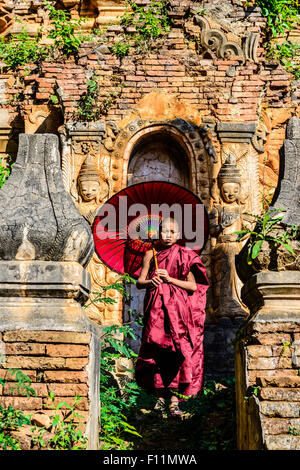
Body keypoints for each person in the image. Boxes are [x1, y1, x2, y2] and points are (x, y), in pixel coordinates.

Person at [135, 217, 209, 416]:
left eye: (172, 232)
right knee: (156, 350)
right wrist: (152, 281)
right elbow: (139, 282)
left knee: (177, 351)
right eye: (164, 231)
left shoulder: (185, 255)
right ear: (157, 233)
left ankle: (174, 400)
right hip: (155, 309)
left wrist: (170, 279)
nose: (167, 235)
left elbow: (193, 286)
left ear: (178, 235)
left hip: (178, 310)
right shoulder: (151, 254)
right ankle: (159, 398)